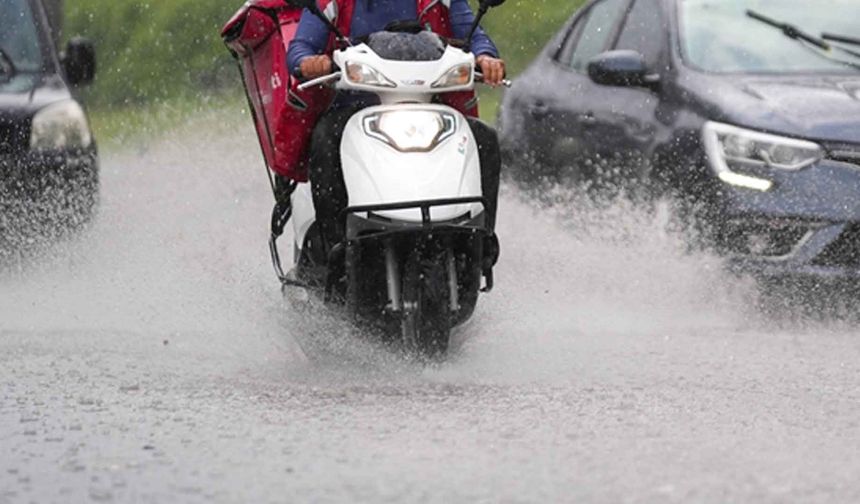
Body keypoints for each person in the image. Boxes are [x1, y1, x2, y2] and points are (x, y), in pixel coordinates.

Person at [286, 0, 506, 254]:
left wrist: (486, 57)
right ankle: (334, 248)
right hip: (352, 107)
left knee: (484, 139)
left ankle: (480, 243)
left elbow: (473, 34)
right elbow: (300, 47)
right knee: (325, 138)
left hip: (429, 103)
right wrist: (308, 62)